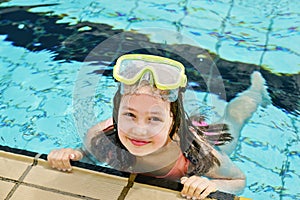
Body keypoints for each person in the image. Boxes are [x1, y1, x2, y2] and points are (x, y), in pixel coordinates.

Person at [48, 54, 270, 199]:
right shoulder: (101, 136)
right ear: (116, 114)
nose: (139, 130)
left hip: (204, 135)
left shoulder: (198, 152)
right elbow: (86, 157)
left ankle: (255, 91)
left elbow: (238, 180)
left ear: (174, 121)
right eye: (129, 115)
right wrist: (72, 155)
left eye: (154, 119)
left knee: (233, 120)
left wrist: (209, 184)